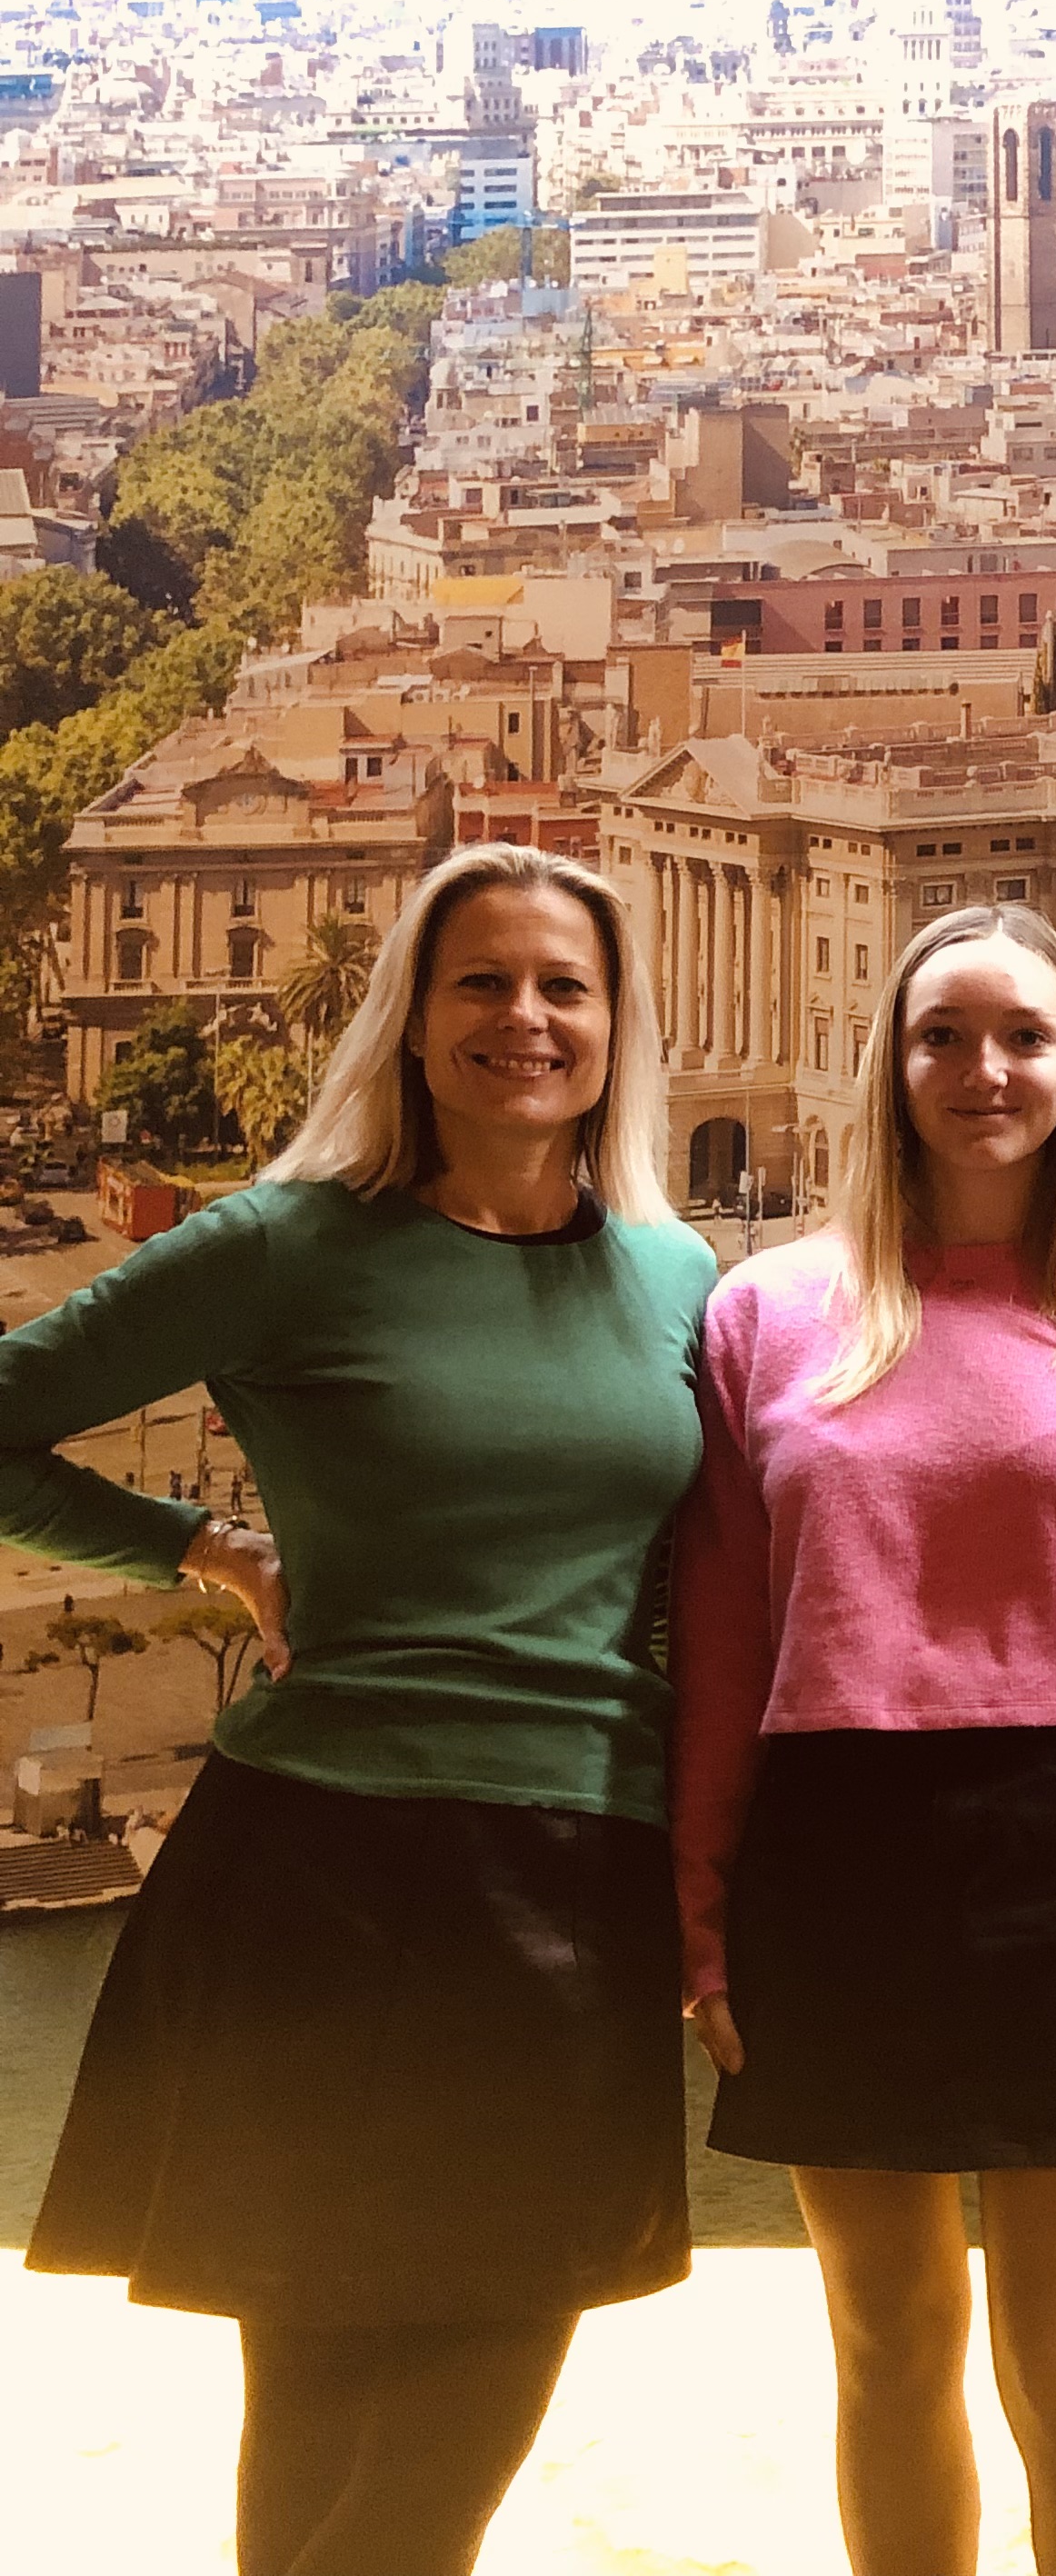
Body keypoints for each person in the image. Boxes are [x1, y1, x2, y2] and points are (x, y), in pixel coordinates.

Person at [15, 844, 713, 2576]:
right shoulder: (287, 1243)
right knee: (329, 2438)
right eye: (482, 980)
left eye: (564, 986)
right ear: (410, 1017)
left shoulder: (682, 1279)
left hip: (579, 1874)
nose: (524, 1018)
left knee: (446, 2436)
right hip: (317, 1873)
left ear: (618, 1027)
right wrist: (206, 1549)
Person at [671, 904, 1056, 2576]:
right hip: (831, 1847)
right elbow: (723, 1638)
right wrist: (698, 1910)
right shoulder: (765, 1310)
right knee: (886, 2346)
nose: (983, 1070)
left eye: (1023, 1036)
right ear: (891, 1060)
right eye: (943, 1035)